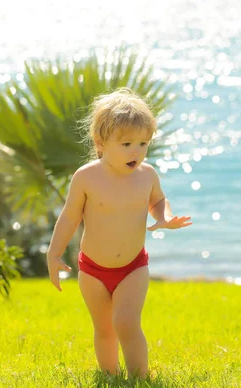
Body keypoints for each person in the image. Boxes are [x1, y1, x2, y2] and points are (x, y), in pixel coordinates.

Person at [46, 87, 192, 379]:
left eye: (143, 143)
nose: (136, 151)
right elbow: (70, 216)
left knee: (126, 322)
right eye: (126, 144)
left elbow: (158, 201)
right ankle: (110, 377)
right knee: (104, 329)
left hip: (132, 267)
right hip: (92, 269)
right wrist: (53, 254)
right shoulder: (86, 177)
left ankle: (140, 378)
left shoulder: (146, 175)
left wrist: (164, 218)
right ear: (101, 143)